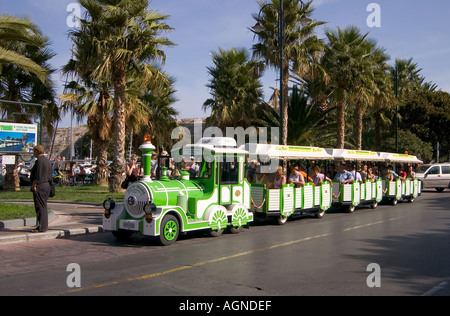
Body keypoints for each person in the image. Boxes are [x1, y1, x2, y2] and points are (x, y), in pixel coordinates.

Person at [30, 145, 52, 233]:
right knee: (43, 206)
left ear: (36, 151)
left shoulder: (39, 161)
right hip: (47, 185)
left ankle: (41, 227)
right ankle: (43, 226)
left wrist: (34, 185)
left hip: (40, 186)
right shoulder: (47, 161)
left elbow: (38, 175)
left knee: (40, 207)